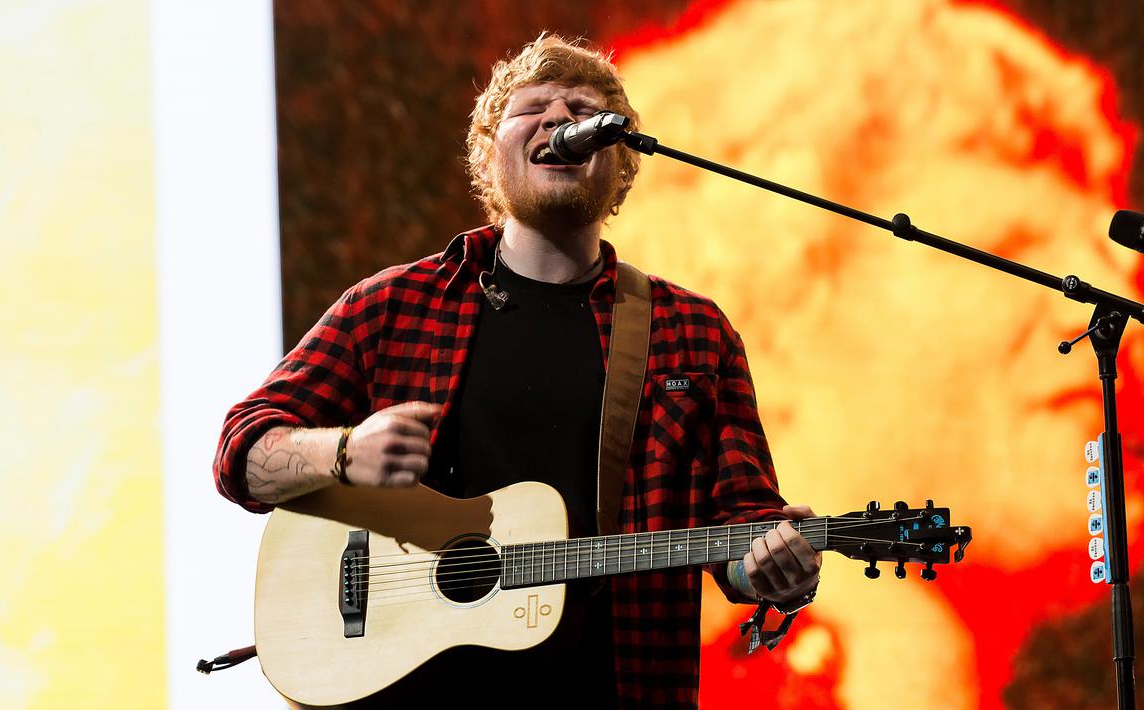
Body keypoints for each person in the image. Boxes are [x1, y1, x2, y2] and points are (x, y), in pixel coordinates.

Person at [213, 34, 820, 707]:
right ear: (487, 151)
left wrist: (774, 569)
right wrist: (344, 451)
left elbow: (744, 526)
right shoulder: (392, 308)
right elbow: (240, 450)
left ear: (618, 161)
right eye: (532, 108)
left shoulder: (693, 334)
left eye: (582, 110)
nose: (559, 121)